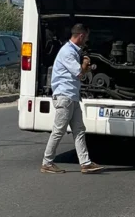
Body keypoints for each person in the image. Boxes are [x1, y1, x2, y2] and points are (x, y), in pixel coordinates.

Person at [41, 23, 104, 174]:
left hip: (72, 97)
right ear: (81, 36)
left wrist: (84, 67)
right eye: (86, 37)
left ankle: (86, 163)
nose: (86, 40)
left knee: (79, 130)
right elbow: (79, 73)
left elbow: (79, 73)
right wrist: (85, 64)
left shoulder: (73, 51)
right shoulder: (67, 52)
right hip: (65, 96)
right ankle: (47, 162)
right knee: (59, 130)